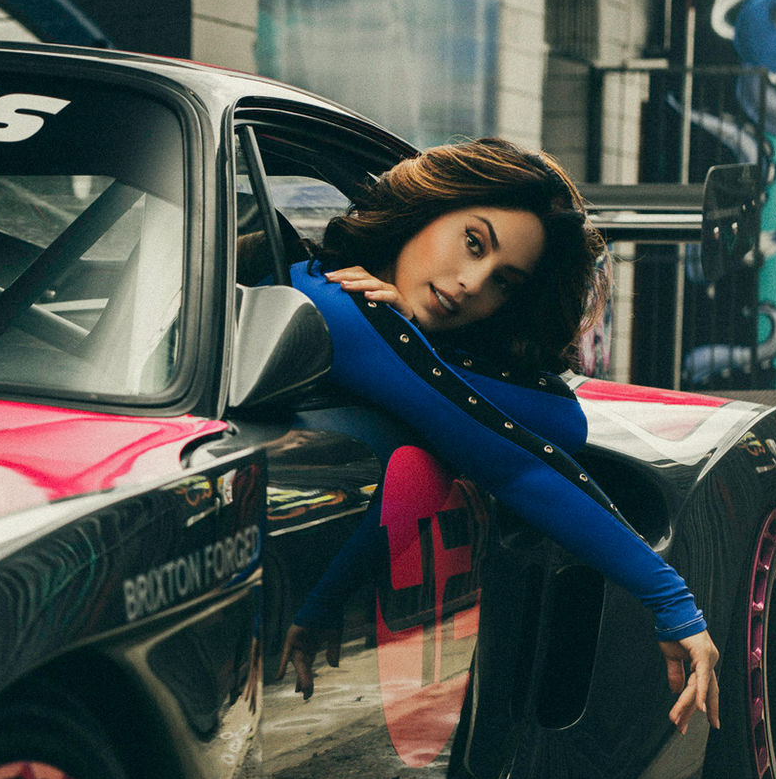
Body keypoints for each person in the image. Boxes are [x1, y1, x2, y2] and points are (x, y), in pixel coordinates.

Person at [277, 137, 720, 735]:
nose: (470, 284)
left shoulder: (388, 328)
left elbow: (552, 421)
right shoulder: (342, 307)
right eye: (472, 242)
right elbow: (513, 465)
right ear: (428, 208)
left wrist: (424, 351)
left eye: (504, 282)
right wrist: (671, 602)